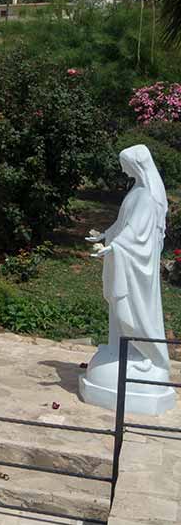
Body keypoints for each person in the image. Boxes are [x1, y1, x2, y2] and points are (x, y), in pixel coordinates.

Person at [87, 144, 170, 373]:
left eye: (125, 165)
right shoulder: (136, 191)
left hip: (137, 266)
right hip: (127, 258)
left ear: (136, 165)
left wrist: (114, 247)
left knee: (136, 309)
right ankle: (119, 347)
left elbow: (136, 232)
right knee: (120, 309)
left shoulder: (146, 197)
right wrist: (105, 235)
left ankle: (148, 354)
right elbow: (123, 223)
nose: (123, 170)